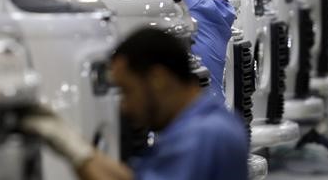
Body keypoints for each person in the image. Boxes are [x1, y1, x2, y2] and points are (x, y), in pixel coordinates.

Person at [21, 28, 249, 180]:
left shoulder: (203, 136)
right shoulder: (209, 119)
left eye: (127, 91)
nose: (125, 107)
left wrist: (75, 152)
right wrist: (74, 146)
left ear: (158, 79)